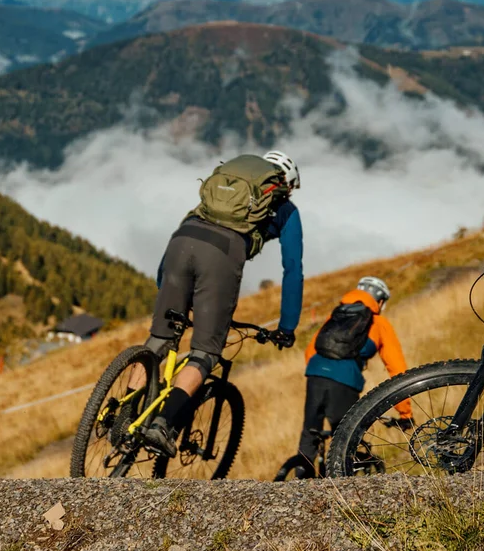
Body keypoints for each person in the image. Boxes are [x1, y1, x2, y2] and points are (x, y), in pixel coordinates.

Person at [140, 150, 304, 456]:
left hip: (181, 242)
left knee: (159, 340)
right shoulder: (285, 208)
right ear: (286, 184)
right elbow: (292, 269)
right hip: (221, 255)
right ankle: (162, 425)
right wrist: (287, 326)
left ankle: (120, 417)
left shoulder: (223, 189)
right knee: (205, 352)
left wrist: (165, 285)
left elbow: (188, 221)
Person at [292, 276, 412, 475]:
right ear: (379, 301)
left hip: (315, 375)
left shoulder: (336, 315)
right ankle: (343, 483)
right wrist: (405, 413)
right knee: (345, 438)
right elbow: (396, 367)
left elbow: (310, 352)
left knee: (310, 432)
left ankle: (300, 481)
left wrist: (323, 371)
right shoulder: (378, 322)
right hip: (345, 380)